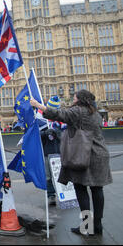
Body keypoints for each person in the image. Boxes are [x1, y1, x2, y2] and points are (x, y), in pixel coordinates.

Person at [30, 89, 112, 236]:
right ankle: (97, 225)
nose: (73, 98)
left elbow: (59, 115)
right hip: (100, 154)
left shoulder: (78, 111)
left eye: (74, 97)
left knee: (81, 189)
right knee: (97, 190)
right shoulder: (96, 113)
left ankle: (87, 226)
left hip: (83, 155)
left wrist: (38, 105)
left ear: (79, 99)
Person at [40, 96, 62, 206]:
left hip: (59, 152)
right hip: (46, 153)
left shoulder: (62, 120)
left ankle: (63, 194)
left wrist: (56, 133)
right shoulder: (41, 120)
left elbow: (66, 136)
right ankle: (51, 195)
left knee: (61, 175)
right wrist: (45, 133)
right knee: (48, 176)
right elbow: (35, 135)